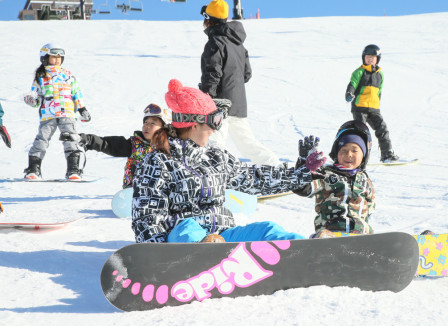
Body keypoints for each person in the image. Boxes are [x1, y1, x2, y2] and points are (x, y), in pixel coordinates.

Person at [131, 79, 316, 244]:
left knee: (267, 229)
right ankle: (205, 252)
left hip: (222, 237)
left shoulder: (215, 156)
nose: (214, 130)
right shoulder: (158, 161)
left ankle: (309, 251)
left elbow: (253, 178)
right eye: (213, 122)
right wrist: (154, 257)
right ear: (194, 124)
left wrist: (299, 174)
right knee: (186, 228)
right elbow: (147, 215)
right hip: (181, 243)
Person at [199, 0, 282, 167]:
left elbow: (212, 73)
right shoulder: (239, 45)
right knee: (246, 143)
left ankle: (214, 174)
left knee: (214, 140)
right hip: (237, 103)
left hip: (218, 103)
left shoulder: (215, 43)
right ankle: (274, 166)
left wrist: (207, 98)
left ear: (208, 19)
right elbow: (247, 74)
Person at [294, 120, 376, 237]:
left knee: (368, 233)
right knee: (323, 236)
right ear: (336, 153)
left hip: (359, 235)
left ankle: (374, 246)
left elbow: (370, 208)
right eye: (343, 150)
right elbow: (302, 188)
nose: (349, 154)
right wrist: (303, 167)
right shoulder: (326, 175)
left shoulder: (365, 181)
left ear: (364, 156)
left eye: (354, 150)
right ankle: (318, 245)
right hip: (331, 233)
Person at [60, 103, 170, 188]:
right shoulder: (133, 145)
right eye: (145, 122)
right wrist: (86, 139)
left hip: (159, 193)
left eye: (153, 123)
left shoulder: (170, 148)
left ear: (163, 128)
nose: (147, 126)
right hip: (133, 192)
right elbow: (106, 144)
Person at [23, 43, 91, 180]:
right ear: (45, 58)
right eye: (54, 57)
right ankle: (33, 169)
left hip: (67, 113)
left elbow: (76, 93)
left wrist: (82, 109)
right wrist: (32, 101)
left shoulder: (68, 75)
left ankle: (73, 170)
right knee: (42, 139)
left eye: (60, 57)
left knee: (71, 139)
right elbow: (35, 97)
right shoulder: (40, 76)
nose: (57, 60)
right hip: (48, 114)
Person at [345, 44, 399, 163]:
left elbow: (379, 92)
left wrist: (377, 104)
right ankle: (358, 159)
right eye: (368, 57)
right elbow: (352, 84)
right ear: (363, 58)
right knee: (361, 133)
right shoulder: (359, 72)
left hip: (374, 109)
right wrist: (349, 93)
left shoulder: (380, 75)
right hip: (360, 107)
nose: (370, 59)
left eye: (373, 57)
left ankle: (387, 154)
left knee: (382, 129)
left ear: (377, 59)